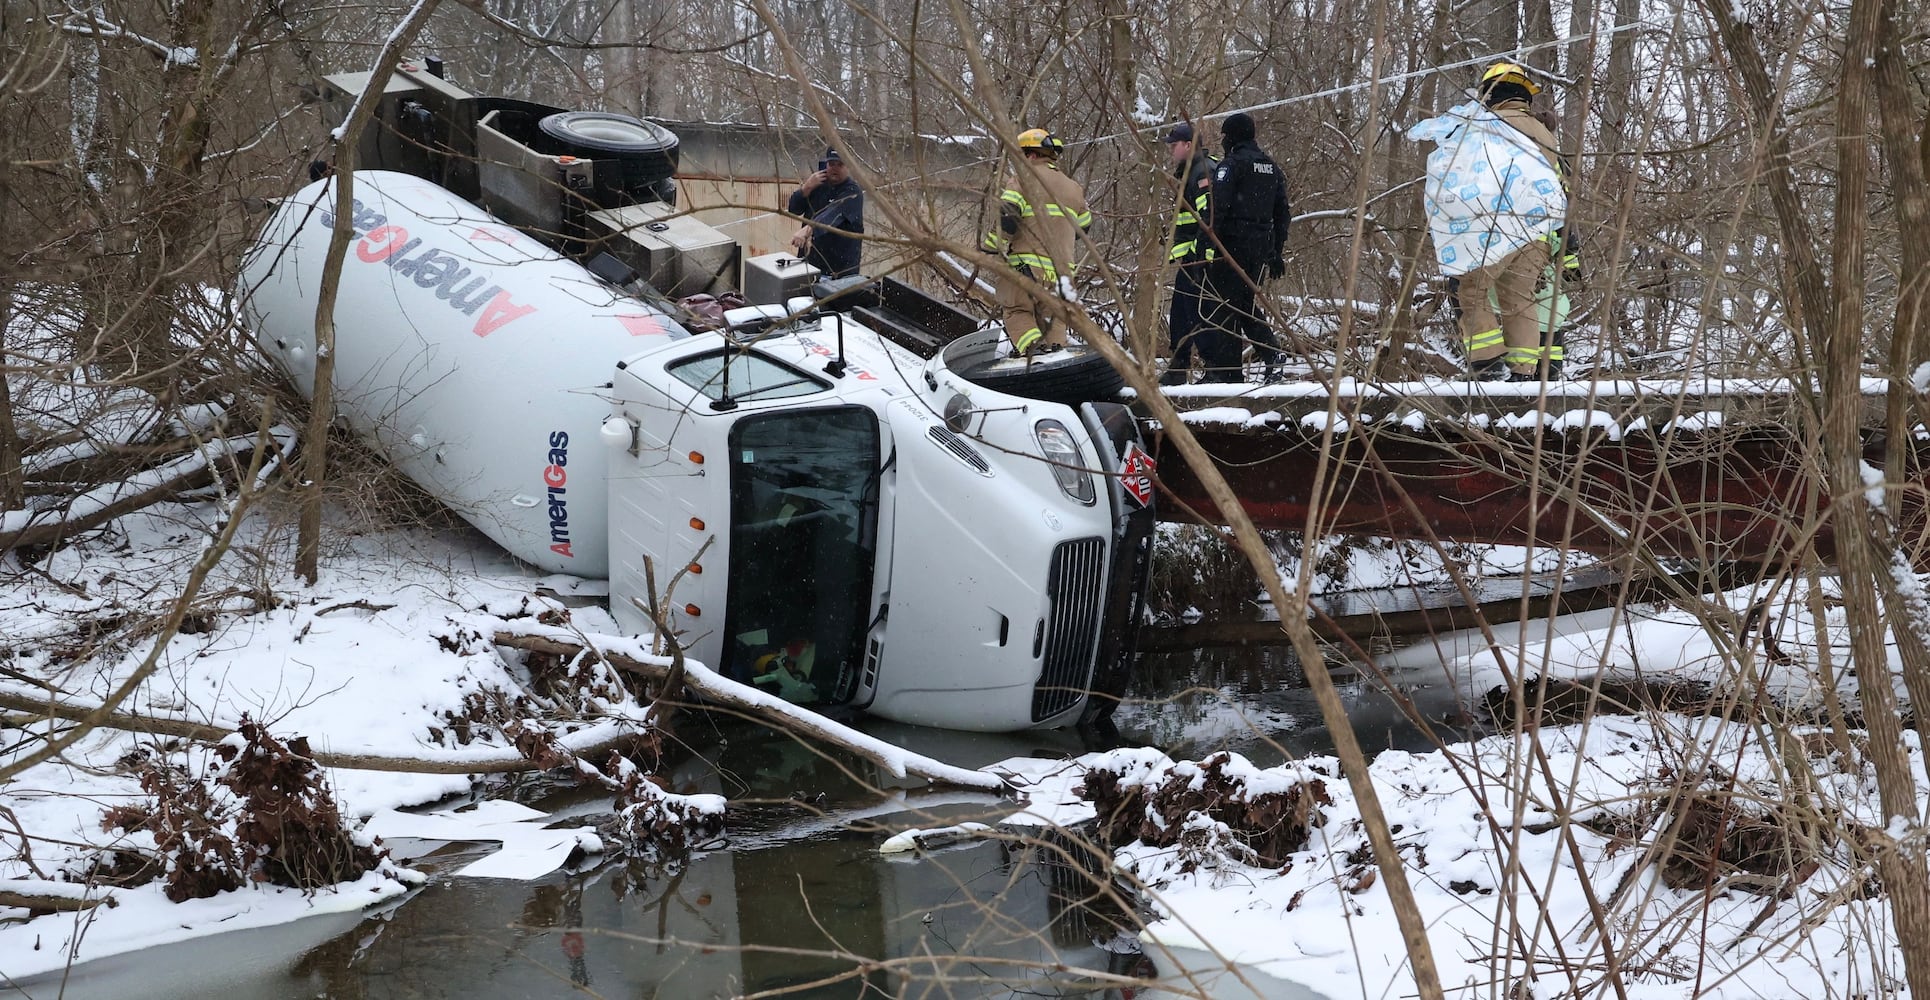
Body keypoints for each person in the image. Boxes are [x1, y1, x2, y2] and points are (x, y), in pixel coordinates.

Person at [1410, 62, 1573, 381]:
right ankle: (1522, 372)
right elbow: (1562, 189)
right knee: (1519, 296)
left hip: (1491, 229)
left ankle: (1487, 365)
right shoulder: (1546, 134)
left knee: (1469, 290)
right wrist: (1570, 247)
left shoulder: (1481, 122)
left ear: (1488, 93)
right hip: (1538, 232)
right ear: (1524, 95)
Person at [980, 128, 1093, 356]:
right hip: (1063, 273)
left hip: (1026, 266)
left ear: (1030, 155)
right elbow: (1084, 228)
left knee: (1017, 310)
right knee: (1054, 318)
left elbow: (1008, 218)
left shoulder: (1023, 179)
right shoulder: (1074, 188)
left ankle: (1032, 353)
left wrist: (990, 247)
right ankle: (1055, 360)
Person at [1201, 112, 1290, 382]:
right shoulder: (1271, 168)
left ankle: (1229, 374)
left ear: (1233, 137)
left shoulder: (1232, 165)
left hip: (1232, 245)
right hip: (1259, 248)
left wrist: (1207, 246)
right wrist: (1276, 252)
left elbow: (1218, 209)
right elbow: (1282, 213)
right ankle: (1264, 357)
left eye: (1226, 136)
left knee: (1225, 308)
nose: (1224, 141)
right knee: (1243, 304)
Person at [1160, 122, 1219, 386]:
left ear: (1187, 145)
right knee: (1182, 312)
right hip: (1192, 257)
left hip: (1202, 257)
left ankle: (1213, 368)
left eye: (1174, 146)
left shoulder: (1201, 172)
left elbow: (1210, 216)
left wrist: (1201, 251)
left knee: (1199, 312)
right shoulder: (1189, 172)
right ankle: (1178, 366)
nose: (1171, 151)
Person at [787, 147, 865, 278]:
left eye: (840, 165)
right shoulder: (817, 184)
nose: (835, 168)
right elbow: (793, 209)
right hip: (810, 266)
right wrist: (806, 188)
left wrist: (808, 230)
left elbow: (832, 215)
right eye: (831, 164)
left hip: (838, 272)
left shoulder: (852, 192)